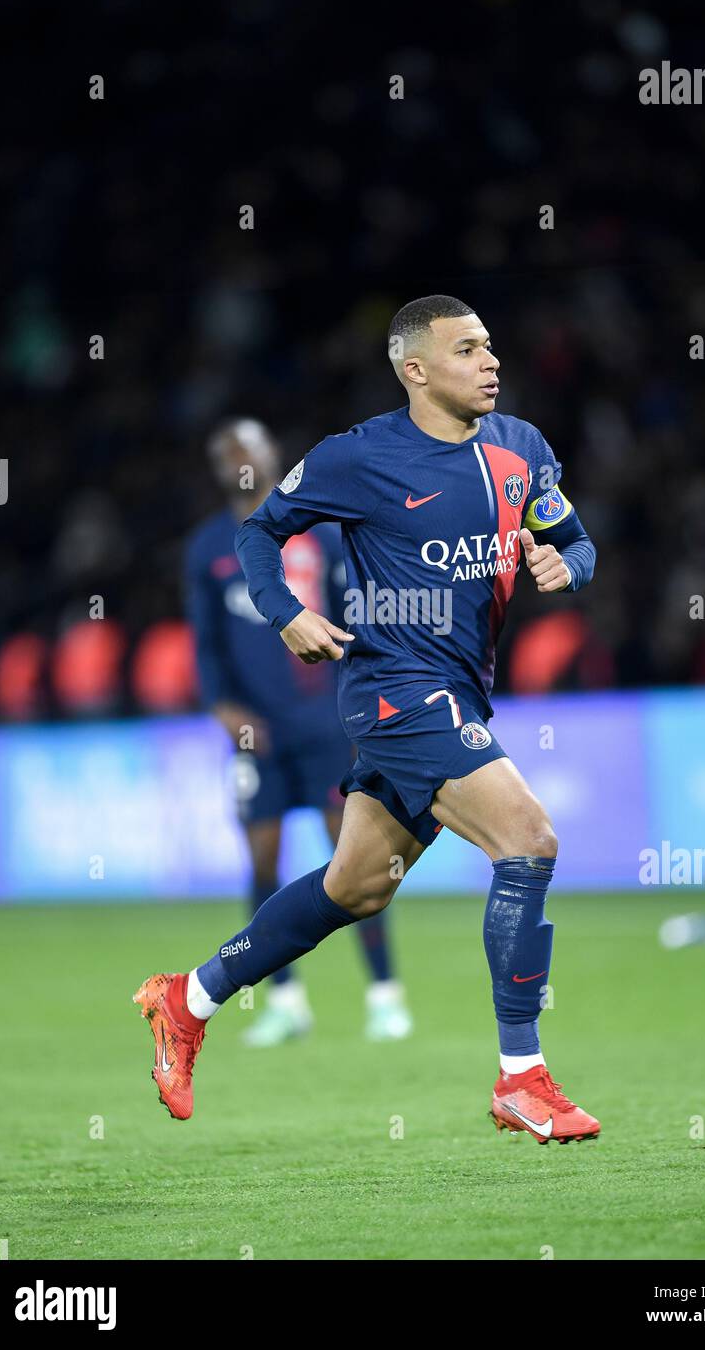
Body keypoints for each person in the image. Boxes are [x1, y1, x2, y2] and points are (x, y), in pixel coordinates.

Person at [135, 295, 600, 1145]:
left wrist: (564, 565)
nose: (492, 361)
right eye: (468, 350)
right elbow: (258, 536)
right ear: (415, 370)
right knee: (529, 840)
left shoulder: (522, 449)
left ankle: (188, 998)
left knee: (356, 886)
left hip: (461, 687)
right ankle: (521, 1078)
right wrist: (288, 616)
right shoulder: (360, 456)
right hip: (394, 688)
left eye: (492, 346)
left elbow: (577, 540)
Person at [183, 418, 412, 1046]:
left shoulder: (318, 534)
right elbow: (205, 644)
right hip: (256, 734)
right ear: (218, 466)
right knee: (261, 860)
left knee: (354, 857)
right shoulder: (208, 549)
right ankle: (284, 1001)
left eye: (249, 447)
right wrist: (221, 708)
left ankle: (384, 995)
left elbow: (361, 613)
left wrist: (366, 694)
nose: (240, 459)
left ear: (272, 453)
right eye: (228, 451)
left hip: (327, 722)